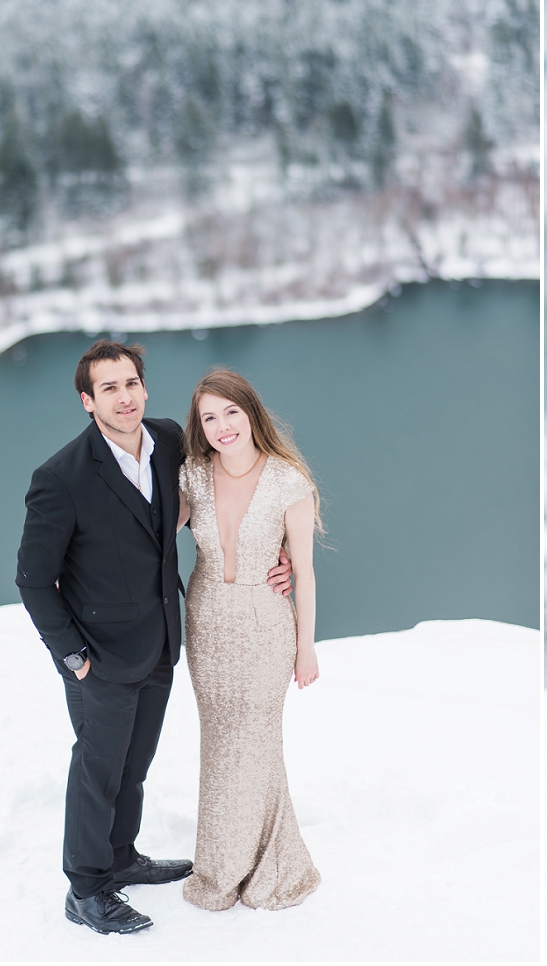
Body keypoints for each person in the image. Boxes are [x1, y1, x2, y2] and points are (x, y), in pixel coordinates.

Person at [16, 341, 291, 934]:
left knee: (134, 765)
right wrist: (74, 658)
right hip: (98, 656)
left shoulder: (168, 441)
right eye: (108, 388)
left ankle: (121, 857)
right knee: (98, 769)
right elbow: (34, 580)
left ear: (144, 388)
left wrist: (281, 551)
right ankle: (86, 889)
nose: (124, 397)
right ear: (87, 401)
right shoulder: (59, 478)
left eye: (131, 383)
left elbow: (232, 476)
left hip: (163, 643)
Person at [175, 367, 323, 911]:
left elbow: (303, 571)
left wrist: (305, 645)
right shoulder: (191, 476)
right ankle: (223, 865)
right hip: (208, 621)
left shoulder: (288, 480)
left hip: (266, 626)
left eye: (230, 412)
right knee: (219, 742)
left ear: (251, 412)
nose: (221, 426)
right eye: (209, 418)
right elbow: (152, 528)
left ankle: (255, 868)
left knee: (257, 739)